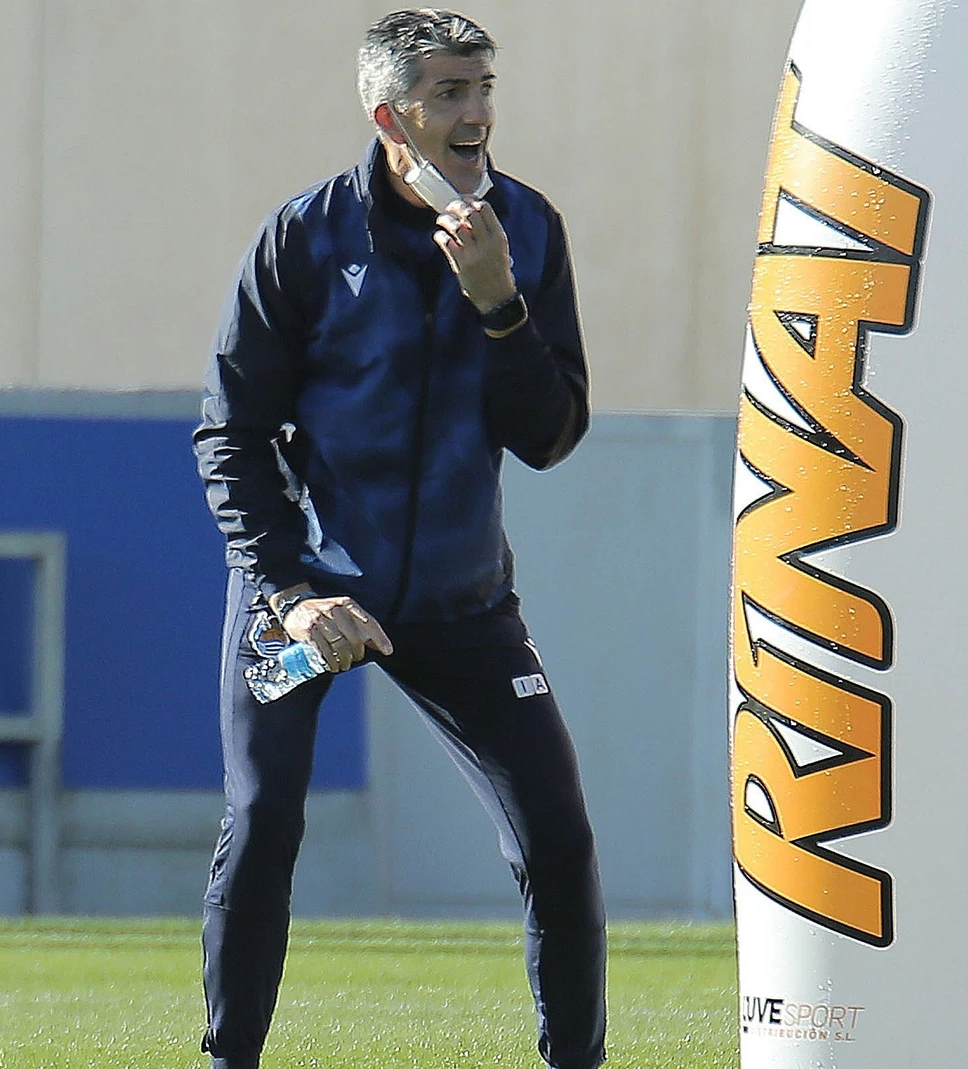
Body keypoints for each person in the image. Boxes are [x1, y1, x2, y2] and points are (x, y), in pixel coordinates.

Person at [193, 10, 606, 1068]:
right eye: (451, 93)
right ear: (391, 114)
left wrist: (500, 307)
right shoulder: (306, 236)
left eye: (484, 87)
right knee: (263, 821)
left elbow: (552, 434)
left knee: (557, 841)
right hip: (310, 599)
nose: (477, 114)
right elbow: (228, 431)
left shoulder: (528, 230)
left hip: (463, 604)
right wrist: (289, 590)